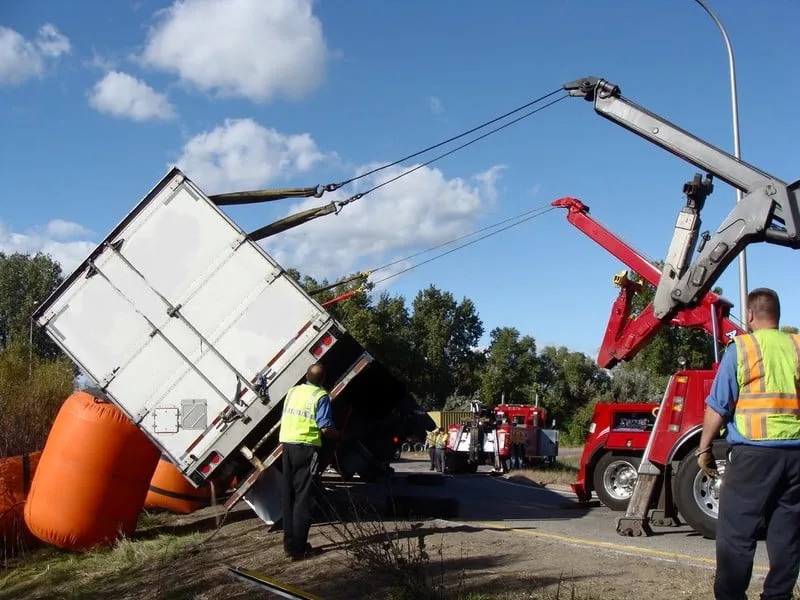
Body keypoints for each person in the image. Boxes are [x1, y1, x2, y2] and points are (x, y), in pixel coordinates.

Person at [697, 288, 800, 600]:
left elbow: (718, 405)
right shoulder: (797, 345)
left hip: (754, 454)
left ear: (751, 315)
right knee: (787, 534)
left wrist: (704, 447)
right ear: (778, 316)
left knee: (737, 534)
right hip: (796, 456)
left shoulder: (742, 348)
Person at [278, 362, 340, 561]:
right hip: (306, 449)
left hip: (287, 446)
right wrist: (339, 435)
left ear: (306, 375)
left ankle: (289, 545)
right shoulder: (321, 396)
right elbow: (325, 428)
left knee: (288, 496)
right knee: (303, 498)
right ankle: (299, 548)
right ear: (323, 380)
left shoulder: (293, 391)